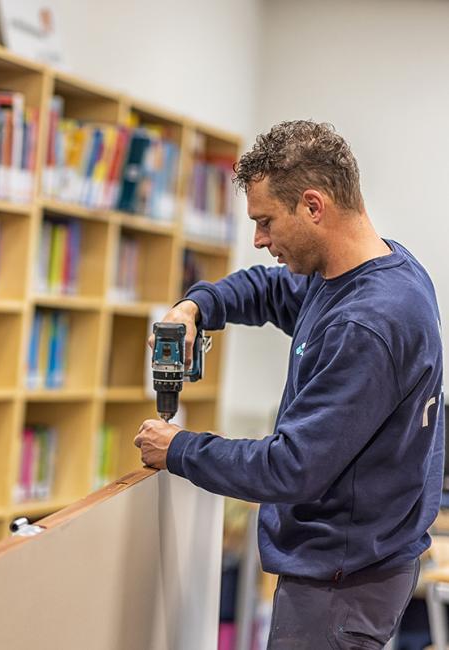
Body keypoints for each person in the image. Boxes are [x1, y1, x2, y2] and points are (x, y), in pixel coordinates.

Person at [134, 120, 444, 649]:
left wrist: (179, 449)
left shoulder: (366, 325)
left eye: (266, 222)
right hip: (355, 564)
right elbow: (270, 289)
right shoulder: (373, 271)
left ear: (313, 206)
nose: (259, 240)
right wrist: (197, 306)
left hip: (341, 584)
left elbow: (290, 468)